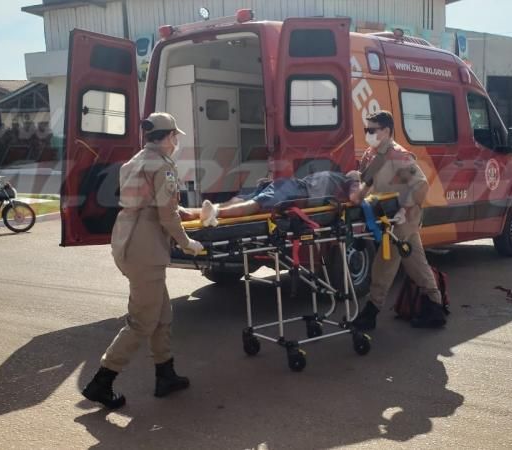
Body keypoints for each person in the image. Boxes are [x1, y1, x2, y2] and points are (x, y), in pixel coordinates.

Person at [82, 112, 205, 409]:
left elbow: (151, 204)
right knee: (142, 321)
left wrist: (178, 211)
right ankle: (102, 381)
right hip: (146, 250)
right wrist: (188, 243)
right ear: (168, 137)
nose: (176, 142)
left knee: (162, 315)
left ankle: (165, 374)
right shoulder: (163, 166)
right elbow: (166, 214)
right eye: (175, 136)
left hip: (127, 240)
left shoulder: (134, 161)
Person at [351, 110, 446, 330]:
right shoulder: (372, 154)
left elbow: (421, 185)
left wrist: (404, 209)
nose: (368, 133)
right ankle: (434, 306)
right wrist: (355, 193)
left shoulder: (398, 156)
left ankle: (371, 311)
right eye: (366, 129)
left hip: (402, 218)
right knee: (416, 263)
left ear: (386, 131)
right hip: (387, 217)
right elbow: (366, 181)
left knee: (384, 262)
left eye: (372, 130)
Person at [188, 170, 362, 227]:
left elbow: (355, 198)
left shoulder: (347, 181)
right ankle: (202, 212)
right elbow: (355, 196)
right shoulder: (347, 179)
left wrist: (356, 181)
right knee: (250, 201)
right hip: (295, 188)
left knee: (251, 201)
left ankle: (204, 213)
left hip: (294, 189)